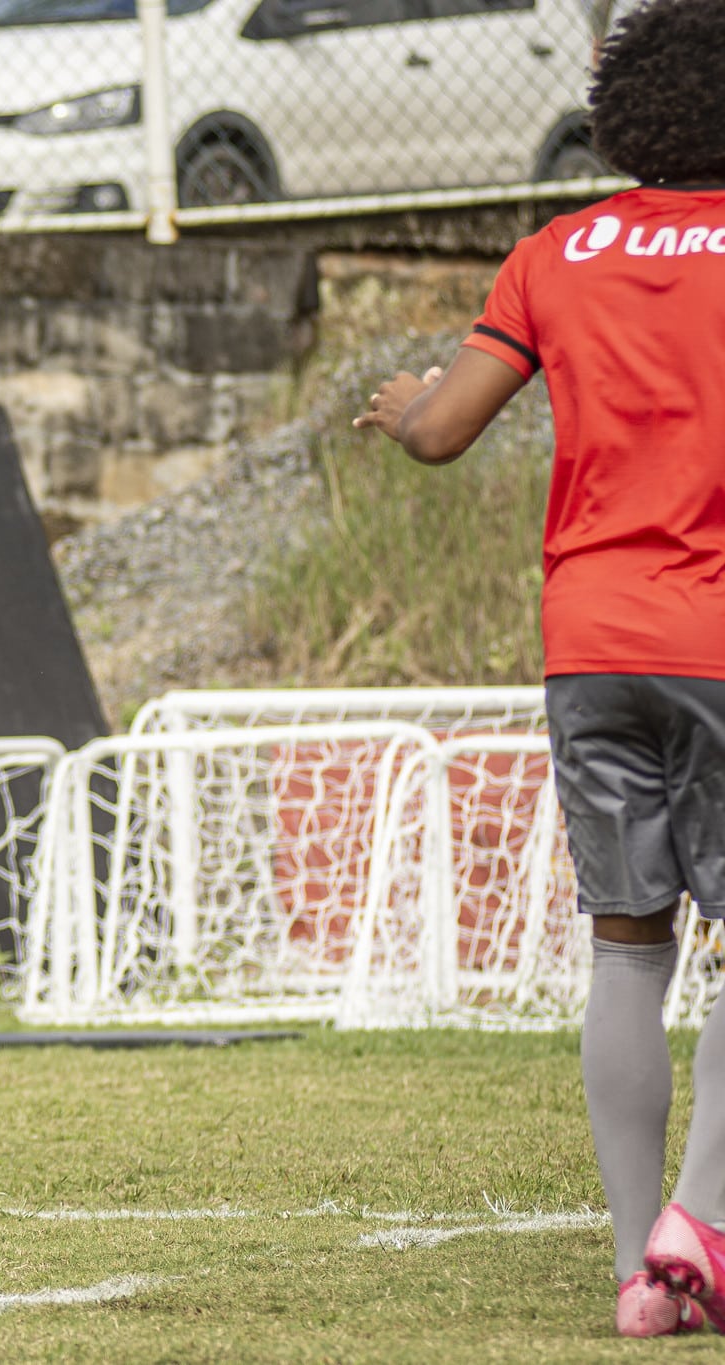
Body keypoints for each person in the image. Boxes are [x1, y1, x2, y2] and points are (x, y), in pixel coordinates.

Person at [355, 0, 725, 1336]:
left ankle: (644, 1272)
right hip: (719, 643)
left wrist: (403, 410)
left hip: (593, 647)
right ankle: (707, 1217)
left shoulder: (555, 254)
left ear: (624, 118)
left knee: (628, 947)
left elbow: (447, 428)